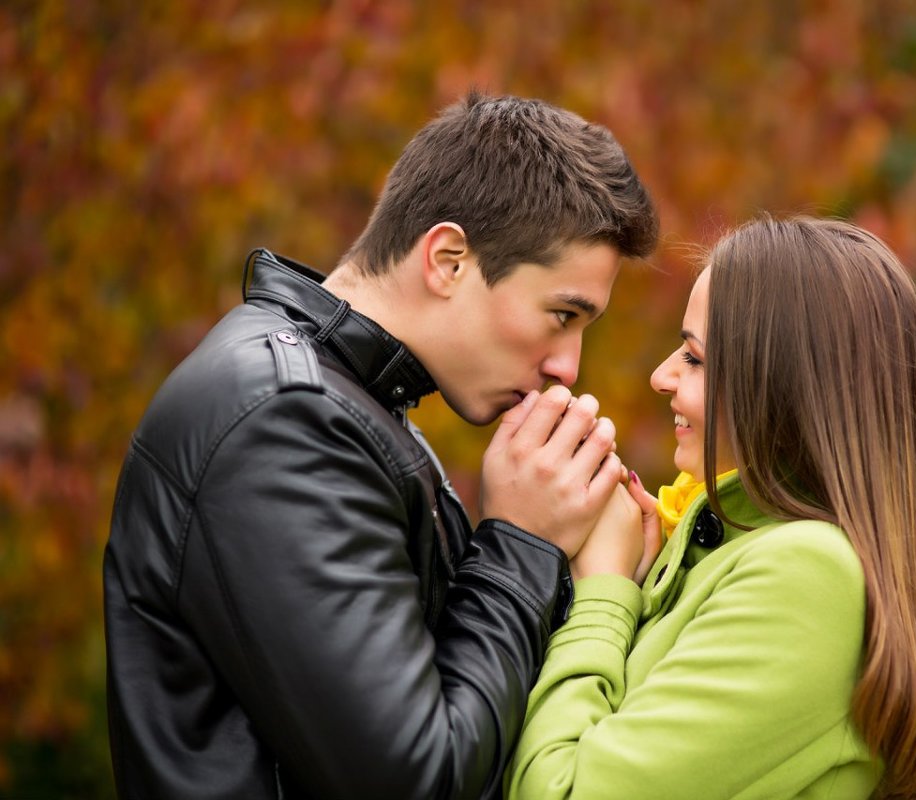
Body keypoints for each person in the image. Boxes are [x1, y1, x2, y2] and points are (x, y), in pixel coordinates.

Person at [103, 92, 658, 800]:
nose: (568, 368)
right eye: (561, 315)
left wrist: (583, 587)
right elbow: (414, 778)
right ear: (449, 259)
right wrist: (520, 542)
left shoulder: (352, 407)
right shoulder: (284, 423)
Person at [507, 216, 916, 799]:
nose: (661, 376)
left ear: (788, 387)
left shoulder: (806, 575)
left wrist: (604, 588)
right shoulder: (724, 552)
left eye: (695, 359)